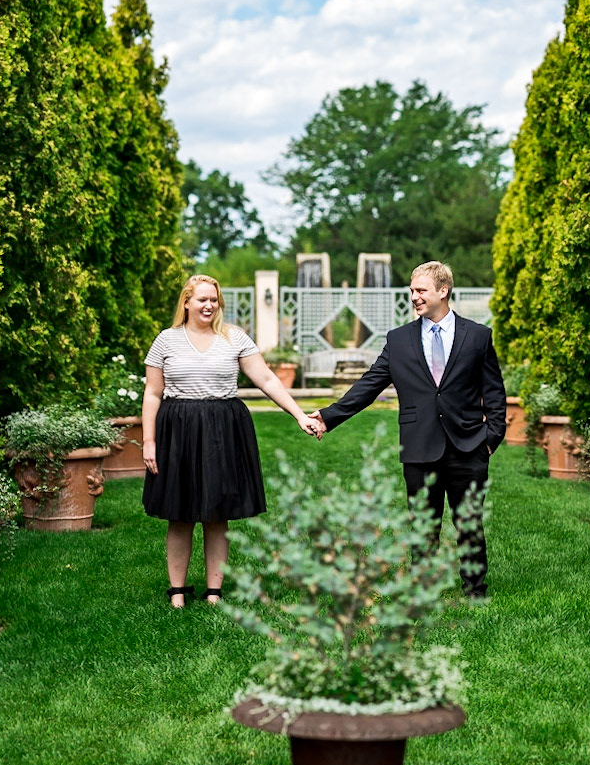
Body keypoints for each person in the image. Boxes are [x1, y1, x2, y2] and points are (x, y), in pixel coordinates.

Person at [314, 260, 505, 597]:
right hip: (419, 446)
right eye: (412, 291)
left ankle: (475, 590)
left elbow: (494, 391)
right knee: (422, 525)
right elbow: (369, 385)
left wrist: (491, 438)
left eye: (421, 291)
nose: (414, 297)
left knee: (469, 523)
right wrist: (329, 417)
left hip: (468, 446)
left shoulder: (477, 336)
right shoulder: (399, 340)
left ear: (443, 291)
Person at [143, 274, 325, 607]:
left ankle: (214, 591)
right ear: (186, 302)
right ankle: (177, 592)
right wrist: (149, 441)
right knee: (179, 513)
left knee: (216, 511)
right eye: (202, 299)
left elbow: (268, 380)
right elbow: (153, 393)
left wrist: (299, 414)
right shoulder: (166, 340)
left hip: (221, 432)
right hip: (177, 430)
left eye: (214, 299)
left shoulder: (234, 338)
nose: (209, 305)